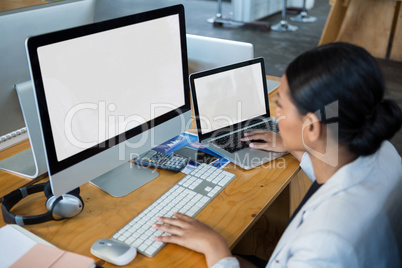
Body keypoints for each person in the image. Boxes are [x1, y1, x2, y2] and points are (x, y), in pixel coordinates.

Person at [152, 42, 402, 267]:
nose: (275, 113)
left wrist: (215, 247)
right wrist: (293, 144)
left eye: (280, 105)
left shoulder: (324, 245)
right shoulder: (386, 153)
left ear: (312, 127)